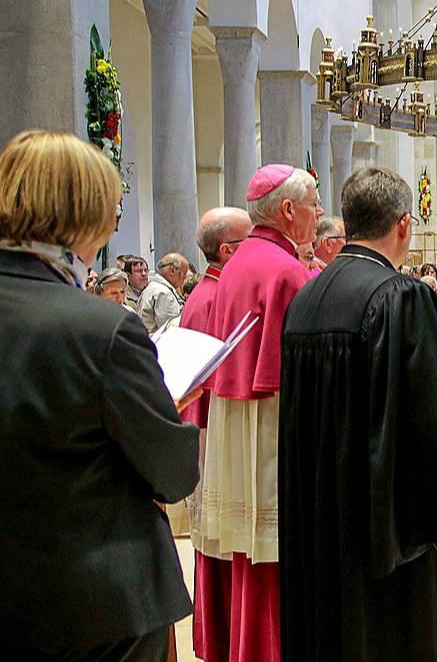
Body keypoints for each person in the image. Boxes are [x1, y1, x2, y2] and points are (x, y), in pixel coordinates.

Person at [279, 167, 437, 661]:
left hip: (322, 521)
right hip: (390, 535)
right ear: (403, 225)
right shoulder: (401, 297)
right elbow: (433, 418)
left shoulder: (306, 300)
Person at [0, 130, 199, 662]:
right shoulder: (101, 329)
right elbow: (173, 474)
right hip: (97, 604)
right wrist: (171, 415)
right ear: (82, 216)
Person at [195, 164, 322, 662]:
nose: (319, 214)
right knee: (270, 545)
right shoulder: (287, 270)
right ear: (289, 210)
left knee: (245, 547)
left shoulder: (240, 261)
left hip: (234, 417)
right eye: (313, 204)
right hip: (269, 422)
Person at [177, 206, 252, 660]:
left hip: (211, 433)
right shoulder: (212, 299)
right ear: (227, 251)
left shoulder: (214, 291)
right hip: (210, 435)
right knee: (218, 546)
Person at [137, 252, 189, 333]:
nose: (184, 279)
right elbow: (171, 330)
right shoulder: (163, 293)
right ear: (172, 271)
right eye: (184, 274)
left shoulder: (153, 287)